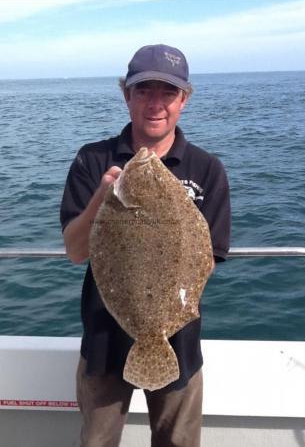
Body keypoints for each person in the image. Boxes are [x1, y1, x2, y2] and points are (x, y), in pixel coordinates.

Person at [60, 44, 231, 447]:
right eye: (143, 91)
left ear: (184, 99)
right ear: (126, 96)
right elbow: (75, 251)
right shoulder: (92, 159)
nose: (156, 104)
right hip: (103, 341)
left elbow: (209, 259)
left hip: (179, 345)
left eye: (167, 93)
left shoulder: (208, 169)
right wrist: (102, 199)